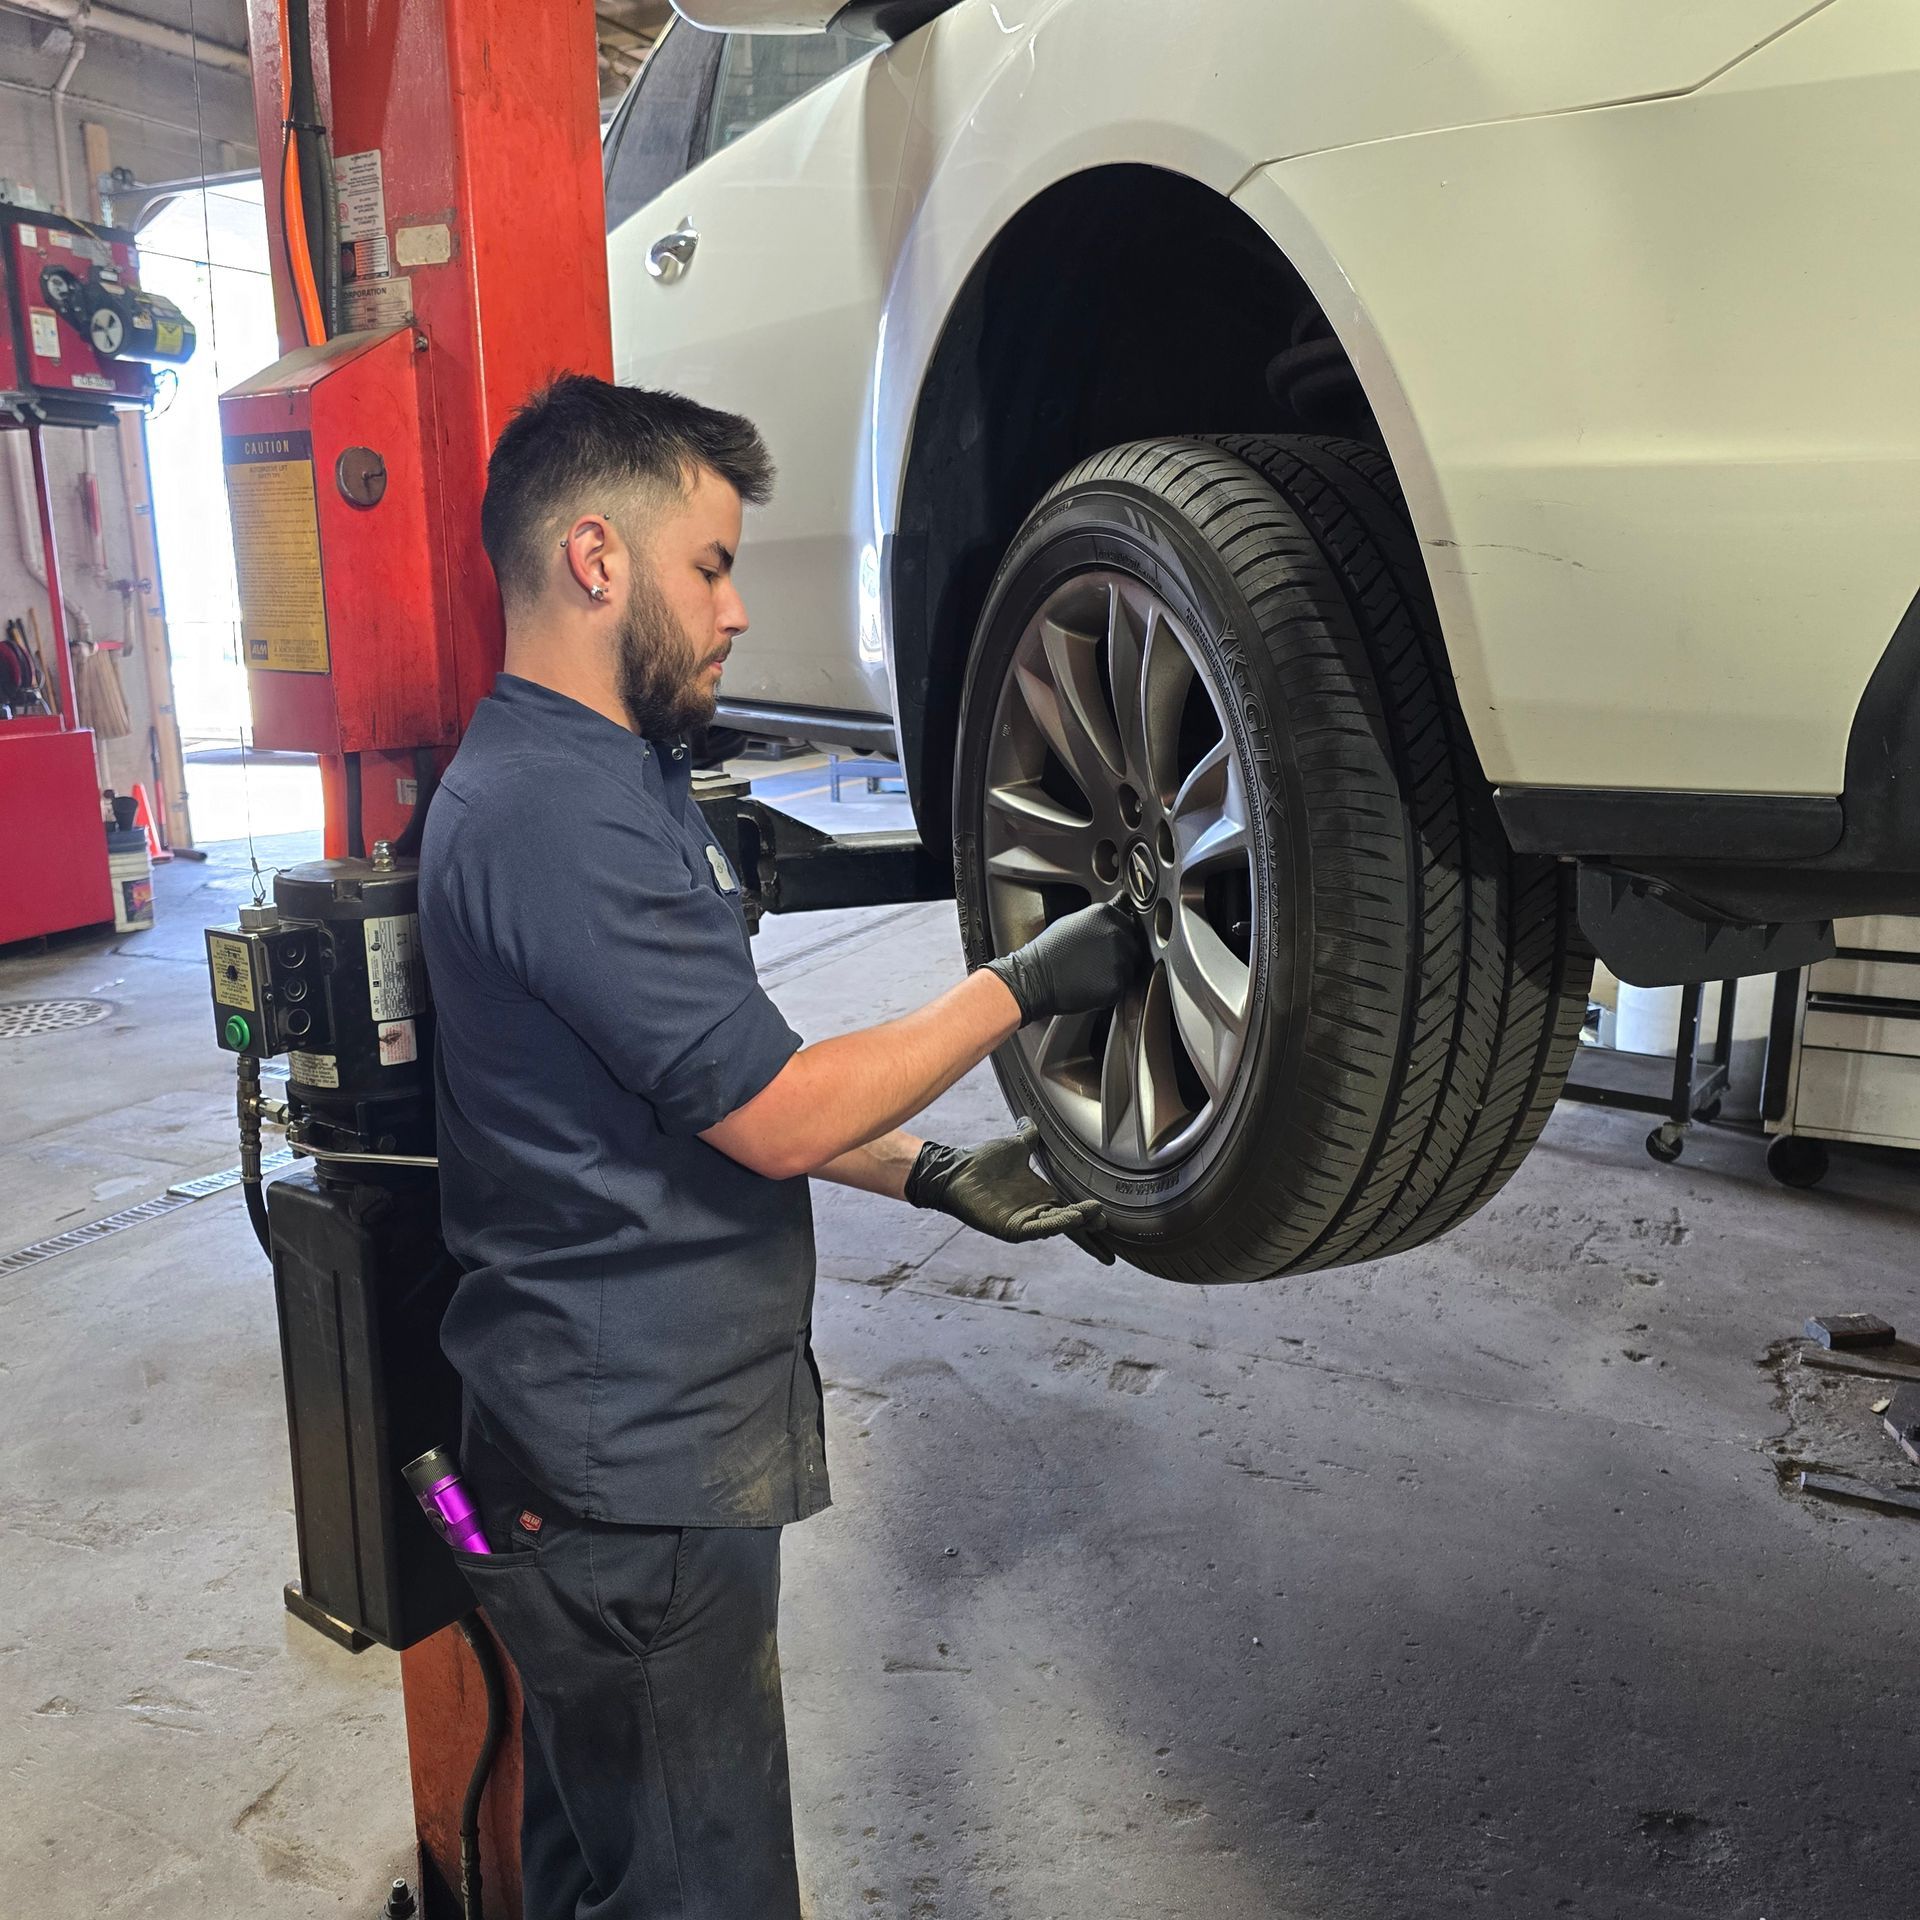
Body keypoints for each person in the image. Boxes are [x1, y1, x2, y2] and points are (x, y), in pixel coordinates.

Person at [417, 375, 1142, 1920]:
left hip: (586, 1458)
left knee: (599, 1852)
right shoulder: (557, 813)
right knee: (699, 1890)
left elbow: (717, 1090)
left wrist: (929, 1169)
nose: (738, 610)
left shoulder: (605, 775)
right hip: (636, 1489)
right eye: (713, 564)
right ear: (598, 560)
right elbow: (781, 1109)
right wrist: (1016, 989)